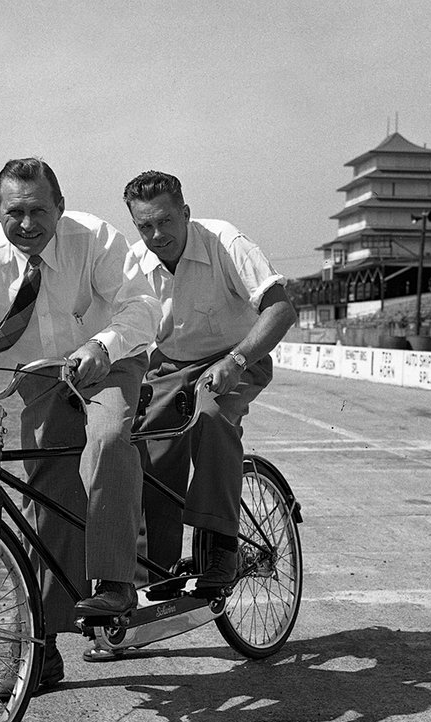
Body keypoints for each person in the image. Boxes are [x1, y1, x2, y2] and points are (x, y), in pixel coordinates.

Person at [0, 158, 161, 693]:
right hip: (40, 375)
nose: (28, 224)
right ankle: (42, 651)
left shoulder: (94, 237)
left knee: (110, 436)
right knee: (44, 501)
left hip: (110, 357)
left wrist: (102, 347)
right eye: (16, 212)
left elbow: (141, 306)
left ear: (61, 207)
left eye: (39, 211)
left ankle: (117, 582)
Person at [122, 170, 297, 593]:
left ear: (185, 213)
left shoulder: (226, 242)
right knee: (145, 451)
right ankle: (153, 580)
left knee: (211, 416)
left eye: (166, 220)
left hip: (236, 357)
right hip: (169, 366)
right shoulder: (133, 262)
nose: (157, 234)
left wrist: (236, 361)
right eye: (145, 225)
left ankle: (221, 547)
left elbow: (281, 309)